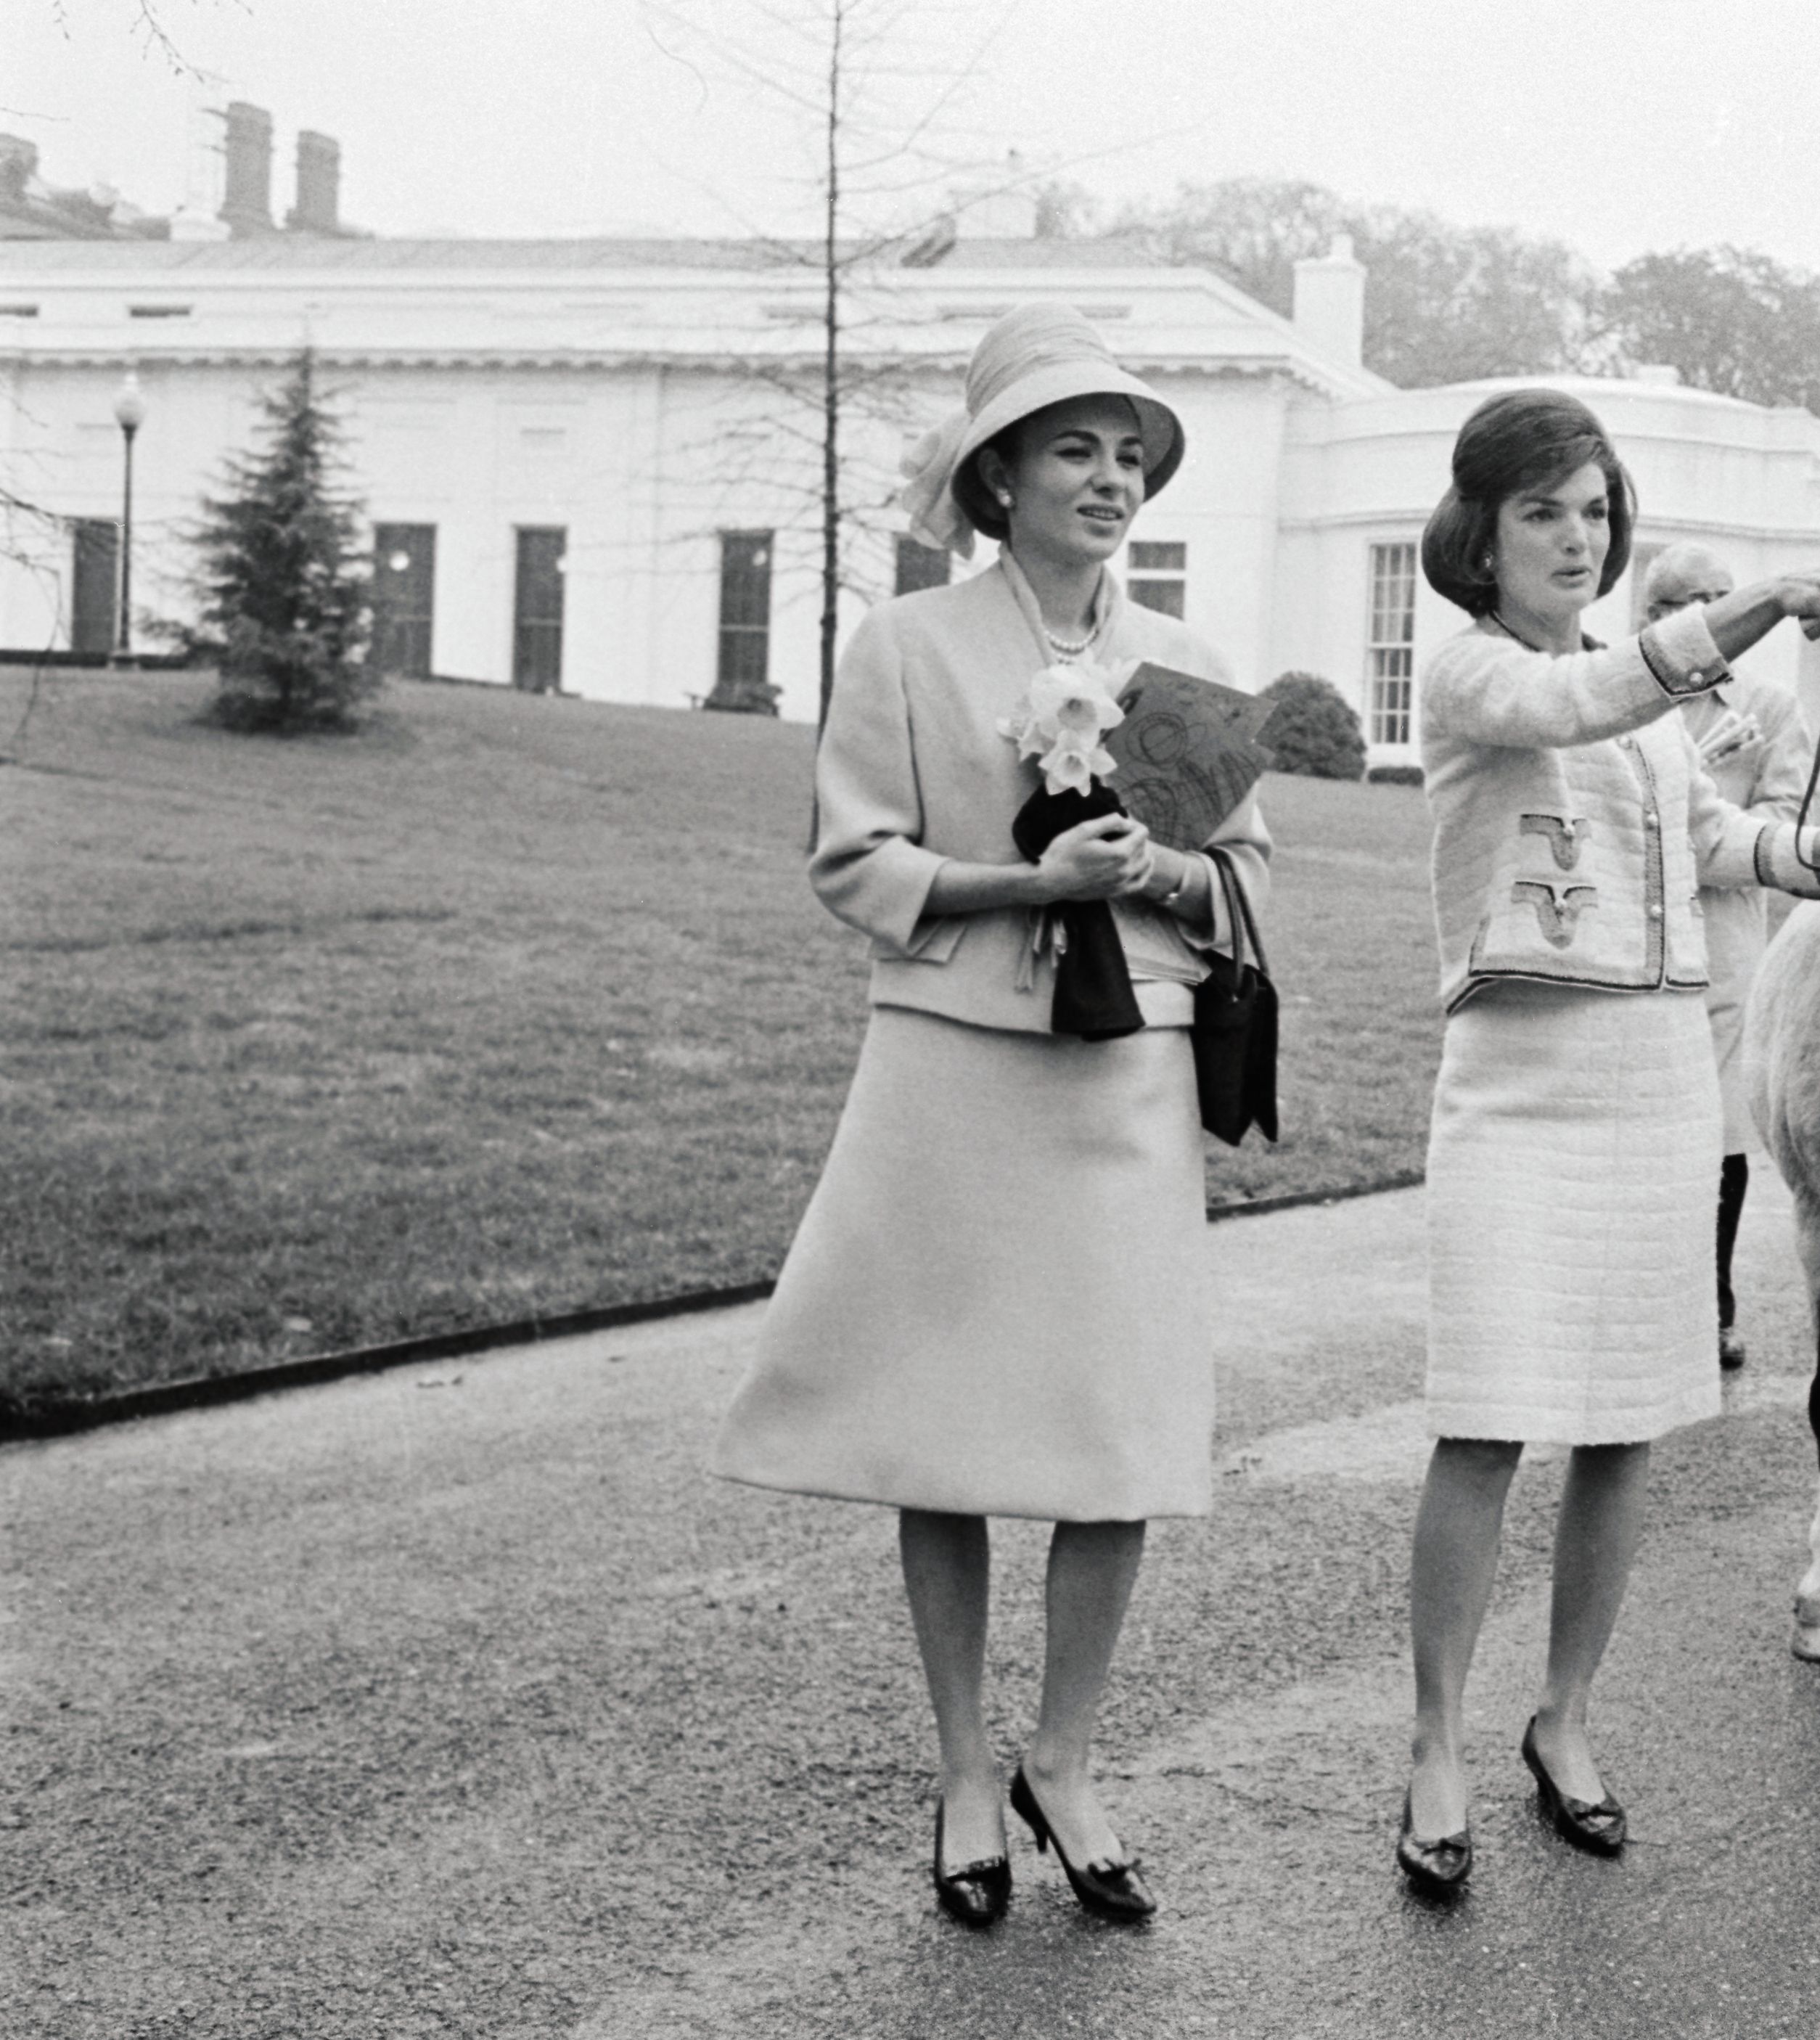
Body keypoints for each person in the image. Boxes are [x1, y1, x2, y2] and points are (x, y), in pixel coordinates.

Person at [710, 304, 1271, 1929]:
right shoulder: (906, 644)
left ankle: (1066, 1756)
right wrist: (1025, 879)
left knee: (1115, 1435)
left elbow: (1242, 876)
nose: (1108, 479)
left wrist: (1157, 869)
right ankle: (966, 1765)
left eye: (1126, 455)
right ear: (997, 474)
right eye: (1072, 449)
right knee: (941, 1422)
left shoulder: (1190, 666)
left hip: (1125, 1075)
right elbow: (852, 860)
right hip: (950, 1066)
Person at [1397, 389, 1820, 1894]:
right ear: (1478, 537)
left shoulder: (1639, 710)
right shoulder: (1478, 673)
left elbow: (1709, 835)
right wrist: (1755, 601)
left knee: (1620, 1420)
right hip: (1520, 1075)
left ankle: (1563, 1719)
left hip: (1658, 1079)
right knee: (1487, 1416)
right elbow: (1577, 705)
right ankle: (1434, 1740)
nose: (1575, 533)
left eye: (1593, 507)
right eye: (1542, 509)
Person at [1637, 541, 1813, 1372]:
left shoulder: (1771, 708)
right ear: (1654, 618)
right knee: (1640, 1123)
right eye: (1687, 600)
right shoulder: (1627, 694)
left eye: (1720, 595)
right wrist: (1695, 775)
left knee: (1718, 1130)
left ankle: (1710, 1302)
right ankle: (1638, 1295)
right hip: (1633, 932)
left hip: (1724, 935)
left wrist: (1713, 817)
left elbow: (1777, 820)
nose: (1708, 610)